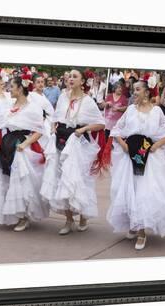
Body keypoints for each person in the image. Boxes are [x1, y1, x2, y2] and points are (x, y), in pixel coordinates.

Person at [104, 79, 165, 250]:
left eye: (138, 89)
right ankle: (134, 226)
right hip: (130, 155)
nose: (134, 92)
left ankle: (142, 233)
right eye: (133, 90)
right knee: (130, 190)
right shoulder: (131, 110)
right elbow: (116, 129)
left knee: (144, 192)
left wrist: (156, 145)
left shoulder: (156, 111)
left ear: (147, 92)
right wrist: (123, 144)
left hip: (148, 156)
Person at [40, 69, 106, 235]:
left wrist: (83, 128)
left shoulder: (88, 101)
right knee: (60, 178)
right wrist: (54, 127)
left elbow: (100, 124)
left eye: (75, 76)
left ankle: (83, 215)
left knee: (78, 180)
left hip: (78, 143)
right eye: (69, 76)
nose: (70, 79)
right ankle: (69, 219)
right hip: (60, 140)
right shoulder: (63, 97)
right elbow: (55, 117)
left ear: (83, 81)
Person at [0, 72, 49, 231]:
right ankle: (14, 214)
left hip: (22, 147)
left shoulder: (33, 108)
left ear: (20, 89)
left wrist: (25, 143)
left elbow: (39, 130)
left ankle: (23, 216)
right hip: (7, 145)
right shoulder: (8, 108)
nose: (9, 90)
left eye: (12, 87)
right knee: (7, 180)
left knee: (21, 181)